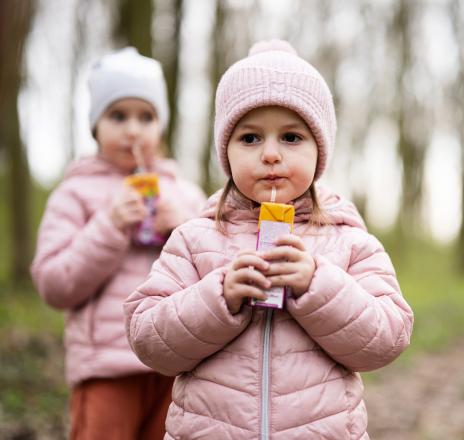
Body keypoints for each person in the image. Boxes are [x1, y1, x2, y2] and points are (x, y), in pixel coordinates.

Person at [123, 39, 414, 439]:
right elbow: (147, 338)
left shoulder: (349, 241)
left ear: (319, 151)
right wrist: (219, 295)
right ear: (226, 151)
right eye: (250, 138)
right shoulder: (195, 237)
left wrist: (318, 284)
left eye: (291, 138)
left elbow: (388, 338)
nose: (271, 154)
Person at [31, 47, 206, 440]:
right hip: (106, 368)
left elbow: (214, 271)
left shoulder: (185, 194)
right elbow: (54, 285)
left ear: (161, 124)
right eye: (117, 115)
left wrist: (183, 226)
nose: (132, 129)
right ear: (95, 126)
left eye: (146, 116)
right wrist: (109, 226)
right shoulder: (74, 194)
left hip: (176, 365)